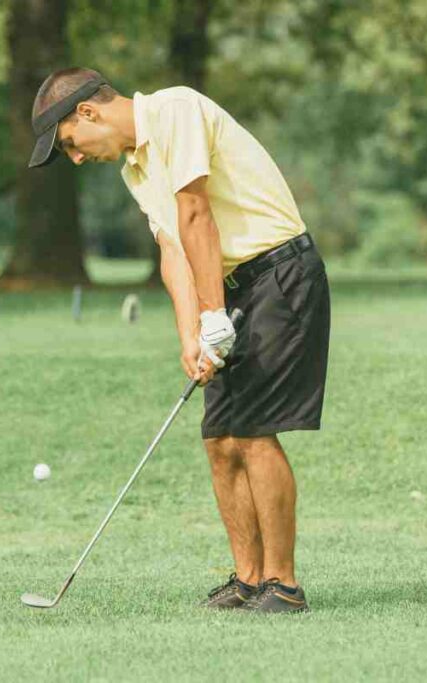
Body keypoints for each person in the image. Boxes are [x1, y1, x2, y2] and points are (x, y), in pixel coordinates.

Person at [27, 68, 330, 614]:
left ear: (88, 113)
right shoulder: (134, 170)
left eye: (70, 144)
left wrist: (214, 313)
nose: (76, 158)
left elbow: (196, 213)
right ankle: (248, 578)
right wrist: (191, 334)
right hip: (231, 285)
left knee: (254, 432)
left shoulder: (177, 110)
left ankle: (283, 585)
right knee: (220, 437)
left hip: (280, 274)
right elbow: (173, 250)